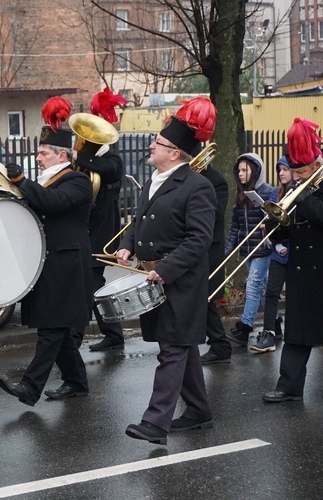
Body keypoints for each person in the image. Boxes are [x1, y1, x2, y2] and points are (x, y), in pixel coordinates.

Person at [116, 97, 217, 445]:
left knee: (172, 348)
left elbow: (199, 239)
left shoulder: (197, 186)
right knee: (179, 345)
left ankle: (156, 422)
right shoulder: (152, 181)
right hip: (155, 279)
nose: (151, 145)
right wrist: (128, 243)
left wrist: (167, 269)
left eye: (157, 142)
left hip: (181, 282)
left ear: (174, 152)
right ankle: (200, 410)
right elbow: (138, 221)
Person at [0, 96, 93, 405]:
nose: (38, 158)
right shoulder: (46, 180)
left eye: (44, 152)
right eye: (38, 152)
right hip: (49, 262)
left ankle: (30, 386)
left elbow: (54, 203)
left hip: (67, 264)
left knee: (52, 328)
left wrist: (23, 182)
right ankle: (76, 380)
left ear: (62, 155)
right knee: (59, 328)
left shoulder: (78, 180)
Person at [263, 118, 323, 403]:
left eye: (301, 171)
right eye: (294, 171)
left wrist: (305, 197)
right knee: (296, 332)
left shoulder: (311, 191)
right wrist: (276, 226)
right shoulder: (298, 192)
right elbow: (291, 227)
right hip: (300, 271)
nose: (297, 176)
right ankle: (289, 386)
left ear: (315, 166)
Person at [84, 89, 127, 352]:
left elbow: (112, 171)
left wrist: (82, 158)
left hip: (102, 232)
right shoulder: (94, 158)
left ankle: (113, 333)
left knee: (94, 283)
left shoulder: (110, 158)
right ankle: (112, 334)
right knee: (91, 283)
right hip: (89, 229)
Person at [224, 153, 273, 346]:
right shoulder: (240, 194)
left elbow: (274, 220)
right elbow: (235, 228)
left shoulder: (268, 192)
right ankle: (274, 321)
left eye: (245, 170)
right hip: (248, 250)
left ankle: (245, 328)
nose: (241, 174)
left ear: (256, 171)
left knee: (252, 285)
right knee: (263, 288)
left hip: (263, 248)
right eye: (239, 170)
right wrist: (225, 254)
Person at [252, 156, 292, 353]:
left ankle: (295, 330)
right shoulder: (276, 194)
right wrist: (275, 243)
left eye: (285, 169)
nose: (281, 173)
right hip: (278, 252)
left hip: (295, 252)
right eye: (279, 169)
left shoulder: (299, 193)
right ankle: (269, 332)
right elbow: (271, 227)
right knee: (272, 292)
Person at [199, 159, 233, 364]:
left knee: (207, 296)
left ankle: (220, 344)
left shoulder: (216, 180)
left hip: (210, 245)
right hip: (193, 242)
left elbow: (217, 212)